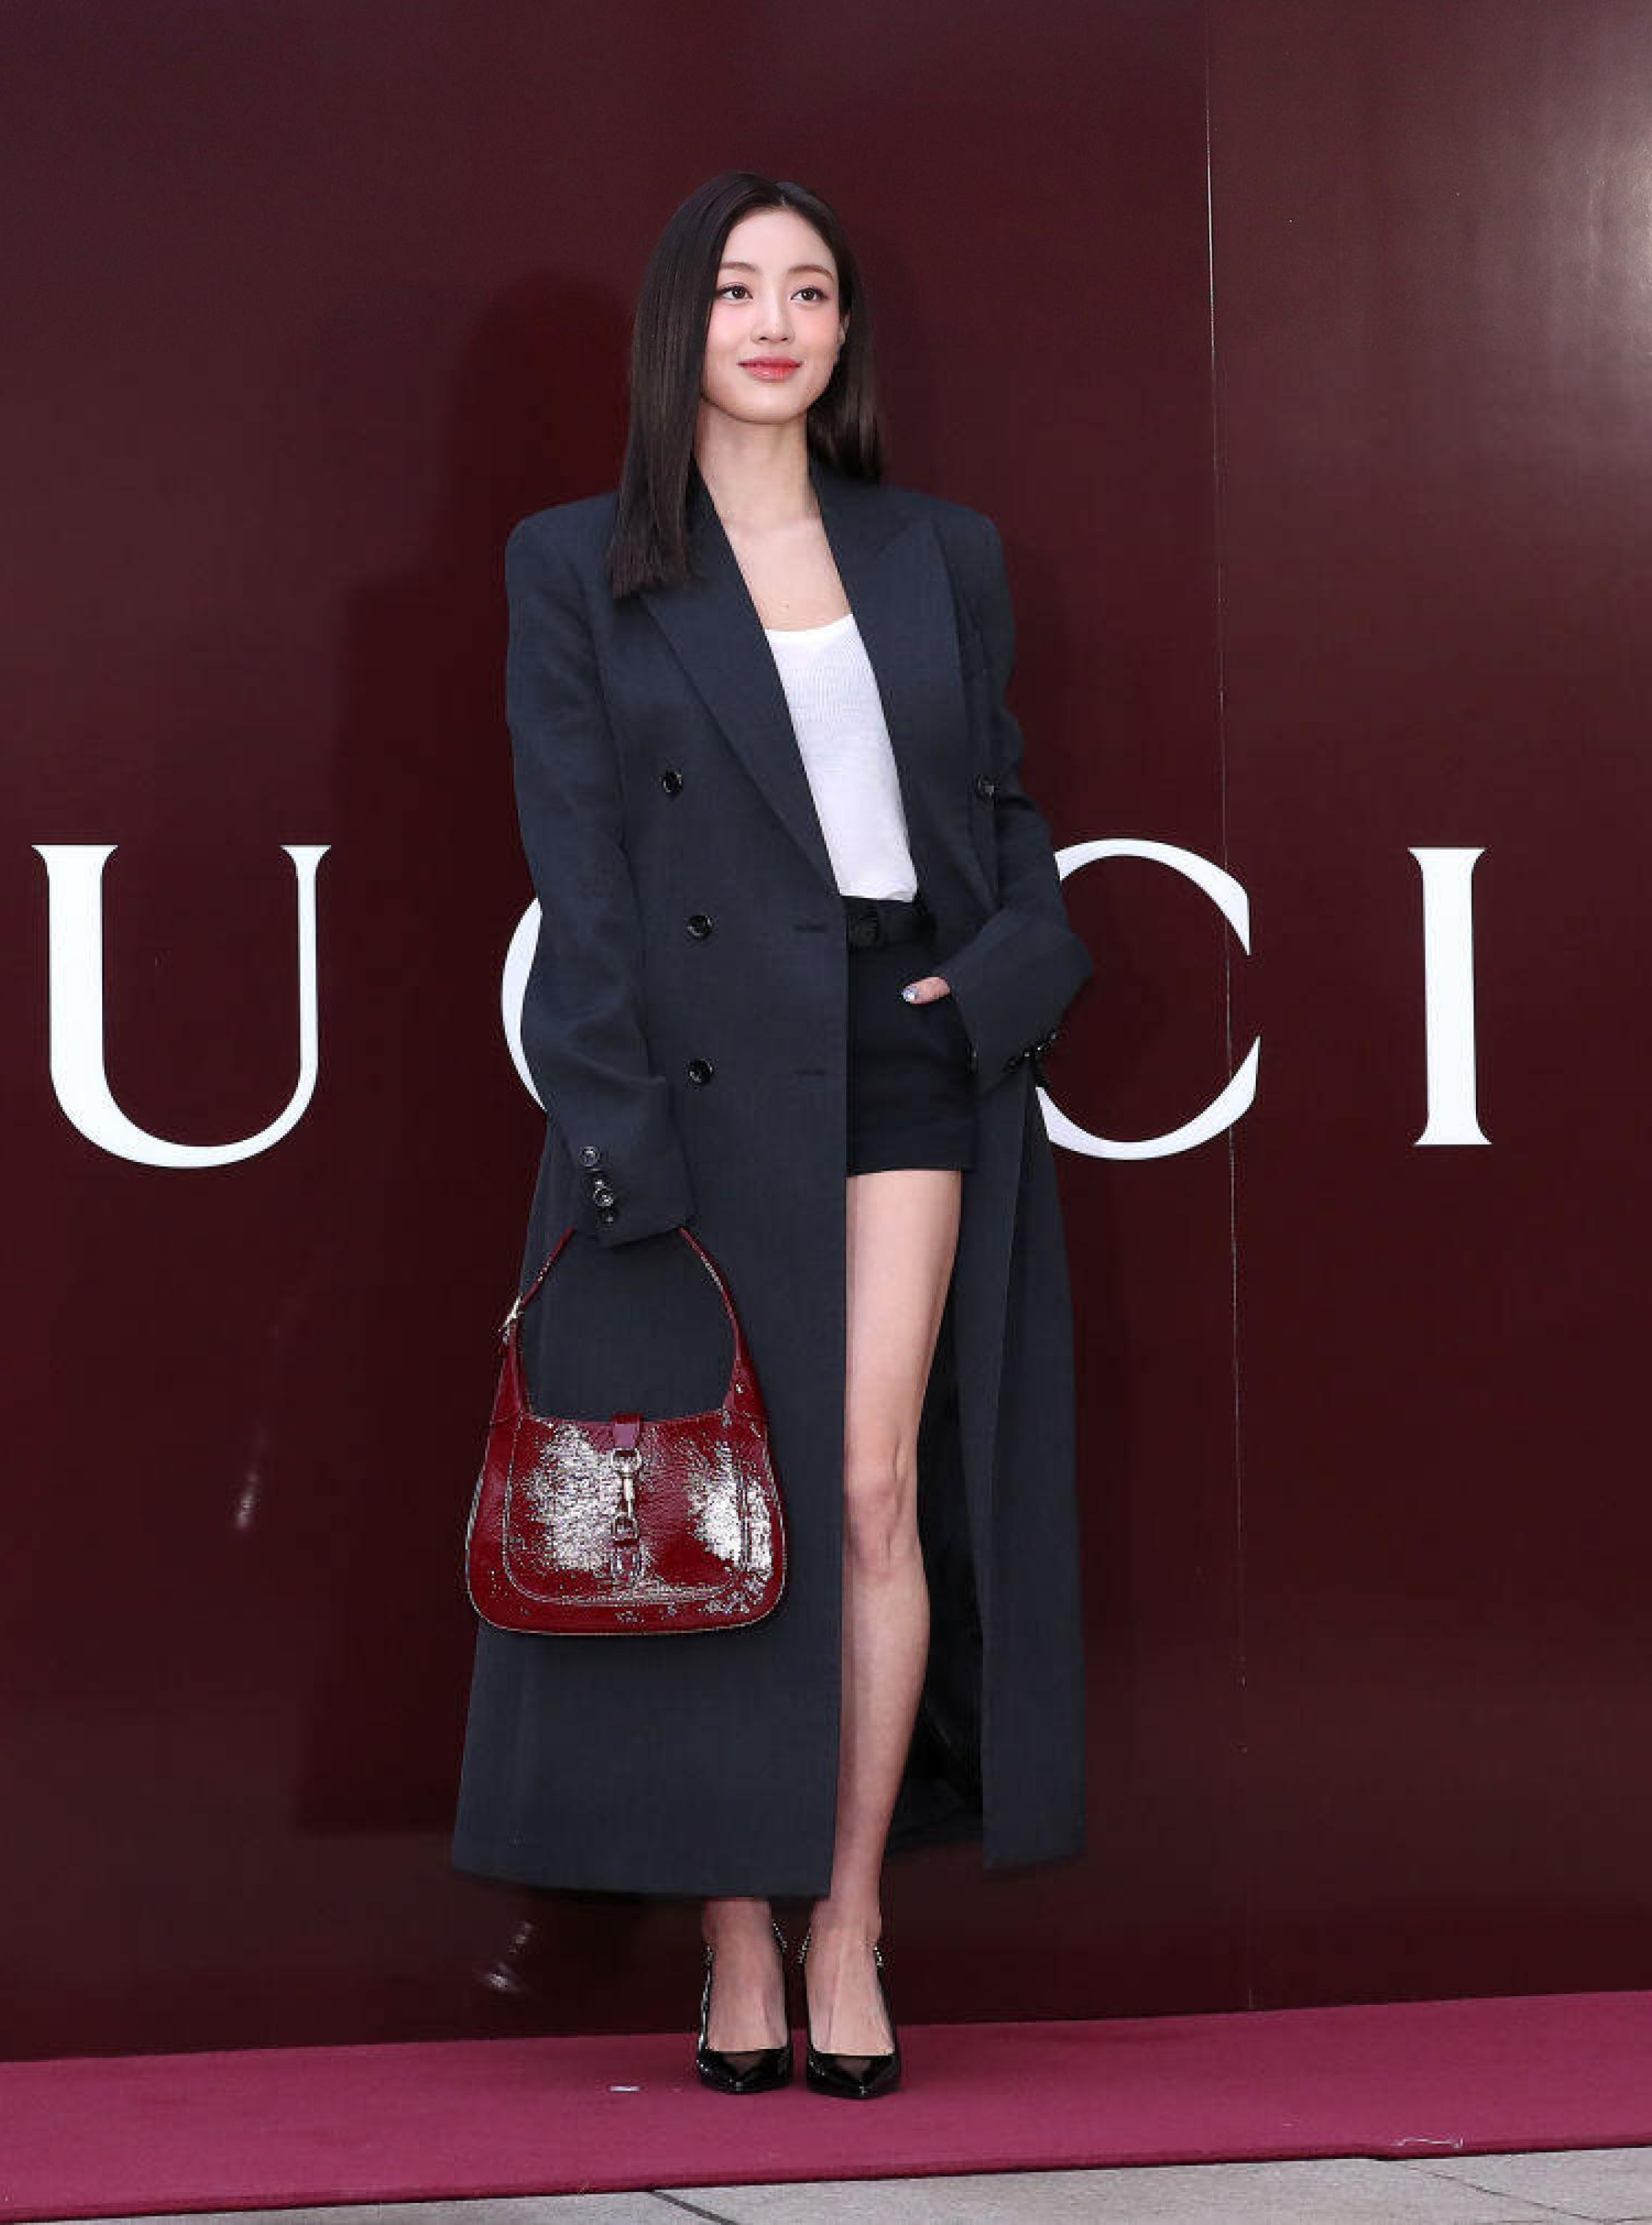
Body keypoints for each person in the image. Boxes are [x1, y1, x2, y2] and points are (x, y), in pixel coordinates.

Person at [451, 171, 1096, 2102]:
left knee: (872, 1485)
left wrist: (1003, 975)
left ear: (842, 336)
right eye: (740, 288)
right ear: (683, 320)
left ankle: (847, 1916)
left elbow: (1001, 810)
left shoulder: (938, 551)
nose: (777, 322)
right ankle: (732, 1927)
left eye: (812, 291)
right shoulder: (576, 562)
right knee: (722, 1501)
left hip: (903, 1055)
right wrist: (615, 1133)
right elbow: (577, 870)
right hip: (689, 1077)